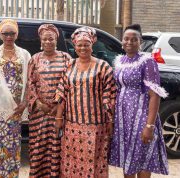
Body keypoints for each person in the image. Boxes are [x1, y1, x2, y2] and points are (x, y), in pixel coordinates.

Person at [55, 27, 116, 178]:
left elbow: (109, 96)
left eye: (86, 44)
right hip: (72, 125)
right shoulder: (69, 65)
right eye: (79, 45)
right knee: (71, 162)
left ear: (92, 45)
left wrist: (110, 121)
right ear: (74, 46)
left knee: (94, 162)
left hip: (96, 125)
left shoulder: (103, 67)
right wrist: (58, 118)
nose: (83, 48)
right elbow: (62, 93)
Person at [109, 24, 169, 178]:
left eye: (134, 40)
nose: (129, 42)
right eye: (126, 39)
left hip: (141, 116)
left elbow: (154, 94)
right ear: (121, 41)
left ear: (140, 42)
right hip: (123, 118)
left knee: (142, 158)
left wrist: (149, 125)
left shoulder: (147, 61)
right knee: (128, 158)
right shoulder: (120, 61)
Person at [0, 19, 31, 178]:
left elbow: (30, 81)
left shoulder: (24, 54)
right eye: (5, 33)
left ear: (17, 34)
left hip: (16, 110)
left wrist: (24, 103)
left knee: (13, 148)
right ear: (0, 34)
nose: (9, 36)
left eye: (12, 33)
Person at [27, 24, 72, 178]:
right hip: (39, 113)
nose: (48, 42)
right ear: (40, 41)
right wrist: (38, 103)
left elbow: (69, 83)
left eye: (51, 39)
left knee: (57, 146)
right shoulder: (34, 59)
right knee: (39, 146)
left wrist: (58, 106)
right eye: (44, 39)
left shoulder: (66, 58)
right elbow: (30, 83)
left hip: (59, 111)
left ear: (56, 40)